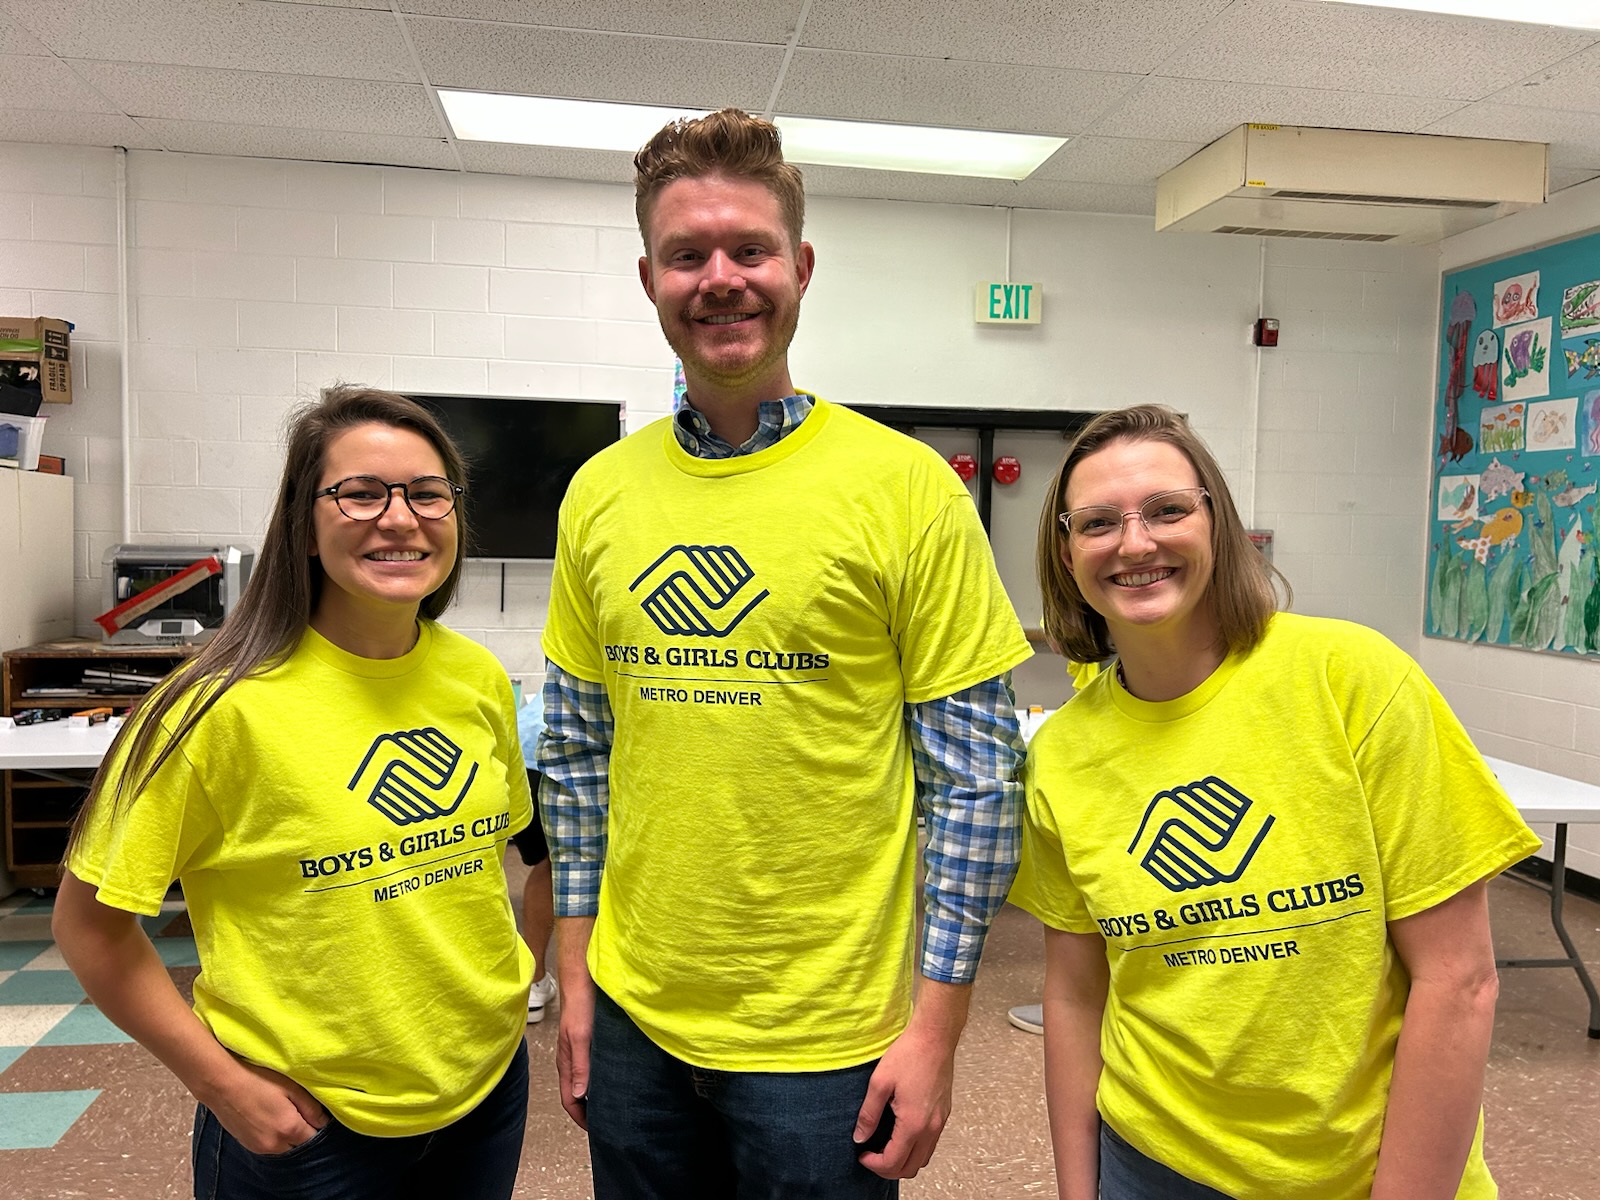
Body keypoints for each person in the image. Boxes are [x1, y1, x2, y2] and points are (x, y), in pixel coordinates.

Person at [536, 108, 1033, 1198]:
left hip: (828, 1035)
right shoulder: (600, 494)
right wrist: (574, 981)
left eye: (749, 250)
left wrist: (937, 1026)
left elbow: (976, 784)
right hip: (633, 1013)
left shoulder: (906, 490)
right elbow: (575, 758)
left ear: (800, 267)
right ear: (649, 276)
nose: (721, 278)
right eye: (687, 254)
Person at [1010, 403, 1541, 1200]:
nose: (1135, 542)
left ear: (1216, 521)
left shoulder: (1352, 677)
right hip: (1149, 1163)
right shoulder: (1063, 754)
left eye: (1167, 509)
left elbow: (1458, 980)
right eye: (1096, 523)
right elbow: (1076, 996)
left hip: (1358, 1174)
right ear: (1066, 551)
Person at [52, 385, 534, 1200]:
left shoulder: (476, 678)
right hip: (312, 1128)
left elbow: (479, 874)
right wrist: (222, 1086)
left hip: (484, 1087)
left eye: (426, 492)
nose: (399, 518)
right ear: (303, 526)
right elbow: (90, 928)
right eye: (359, 493)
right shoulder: (216, 707)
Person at [514, 696, 558, 1023]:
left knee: (548, 865)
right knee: (563, 866)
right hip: (554, 757)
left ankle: (534, 983)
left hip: (520, 759)